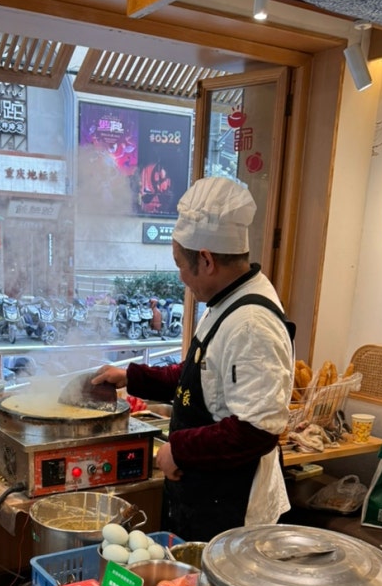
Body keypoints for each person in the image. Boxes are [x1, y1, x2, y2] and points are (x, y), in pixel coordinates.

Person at [93, 176, 294, 542]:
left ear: (206, 259)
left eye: (180, 264)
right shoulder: (226, 301)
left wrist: (180, 450)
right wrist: (131, 377)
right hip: (204, 494)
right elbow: (198, 377)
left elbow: (256, 431)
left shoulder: (252, 324)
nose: (181, 276)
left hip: (232, 508)